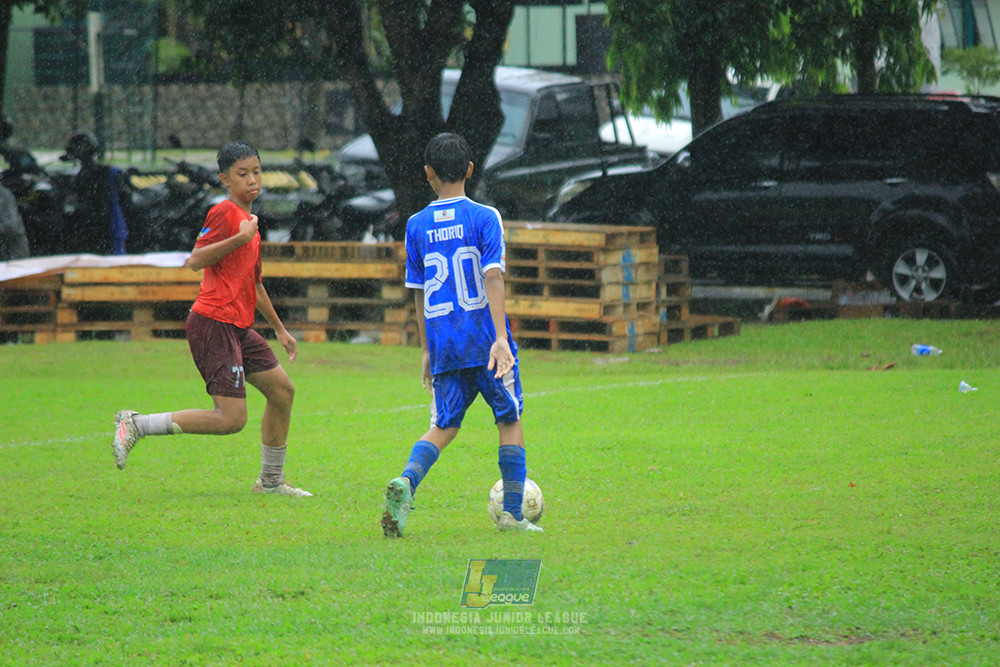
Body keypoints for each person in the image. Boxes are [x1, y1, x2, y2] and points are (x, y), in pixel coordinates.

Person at [111, 141, 311, 497]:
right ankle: (138, 424)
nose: (252, 179)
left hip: (238, 326)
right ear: (225, 180)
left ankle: (270, 483)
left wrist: (281, 329)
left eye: (257, 171)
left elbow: (255, 283)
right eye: (242, 174)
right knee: (231, 419)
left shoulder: (250, 224)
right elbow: (196, 260)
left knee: (282, 391)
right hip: (212, 322)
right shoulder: (224, 214)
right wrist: (239, 238)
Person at [381, 132, 542, 537]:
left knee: (444, 426)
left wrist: (425, 350)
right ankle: (511, 515)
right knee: (509, 418)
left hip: (445, 345)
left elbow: (417, 294)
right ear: (470, 170)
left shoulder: (416, 226)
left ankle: (406, 482)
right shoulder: (485, 217)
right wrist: (501, 337)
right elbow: (493, 275)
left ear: (428, 173)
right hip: (487, 343)